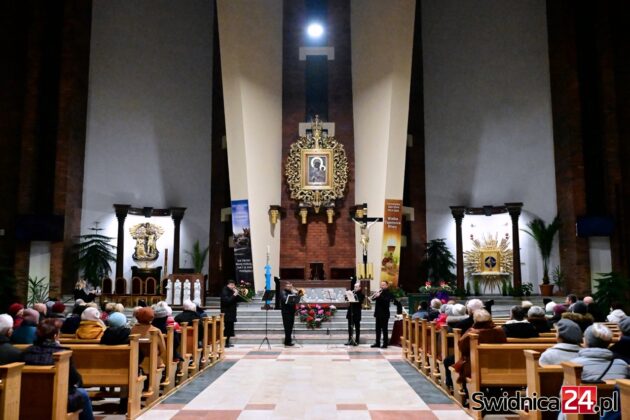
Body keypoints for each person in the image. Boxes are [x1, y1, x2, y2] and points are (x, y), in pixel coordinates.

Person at [23, 319, 95, 420]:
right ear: (55, 336)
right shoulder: (63, 354)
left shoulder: (27, 352)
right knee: (83, 394)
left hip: (29, 396)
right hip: (58, 395)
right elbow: (74, 378)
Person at [451, 309, 506, 387]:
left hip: (475, 366)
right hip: (497, 364)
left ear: (475, 320)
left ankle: (464, 389)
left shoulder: (472, 333)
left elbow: (462, 348)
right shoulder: (499, 331)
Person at [371, 281, 396, 348]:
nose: (382, 286)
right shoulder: (380, 292)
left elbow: (386, 302)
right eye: (381, 285)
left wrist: (380, 296)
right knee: (377, 329)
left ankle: (385, 344)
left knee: (384, 329)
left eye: (383, 285)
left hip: (384, 314)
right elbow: (372, 299)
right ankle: (377, 343)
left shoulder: (389, 293)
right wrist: (375, 294)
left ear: (387, 286)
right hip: (378, 313)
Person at [220, 280, 240, 348]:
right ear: (228, 285)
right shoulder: (224, 291)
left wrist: (237, 294)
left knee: (230, 328)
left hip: (231, 312)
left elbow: (236, 300)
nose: (233, 286)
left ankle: (227, 342)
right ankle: (225, 343)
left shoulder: (231, 291)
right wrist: (234, 294)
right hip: (227, 313)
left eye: (234, 285)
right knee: (227, 328)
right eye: (232, 285)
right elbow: (227, 301)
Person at [345, 282, 364, 346]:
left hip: (357, 312)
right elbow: (347, 299)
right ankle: (350, 340)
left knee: (357, 327)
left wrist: (353, 295)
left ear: (360, 288)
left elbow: (359, 301)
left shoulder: (362, 294)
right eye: (354, 287)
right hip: (350, 312)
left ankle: (357, 341)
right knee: (350, 327)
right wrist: (348, 295)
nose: (355, 288)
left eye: (356, 287)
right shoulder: (352, 293)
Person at [280, 282, 298, 346]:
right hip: (286, 312)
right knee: (287, 327)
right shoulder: (283, 292)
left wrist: (296, 294)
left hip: (291, 312)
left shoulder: (291, 292)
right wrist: (293, 294)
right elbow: (285, 300)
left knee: (290, 327)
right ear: (285, 286)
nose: (290, 287)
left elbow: (295, 300)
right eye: (289, 286)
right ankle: (287, 342)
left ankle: (287, 341)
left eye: (291, 286)